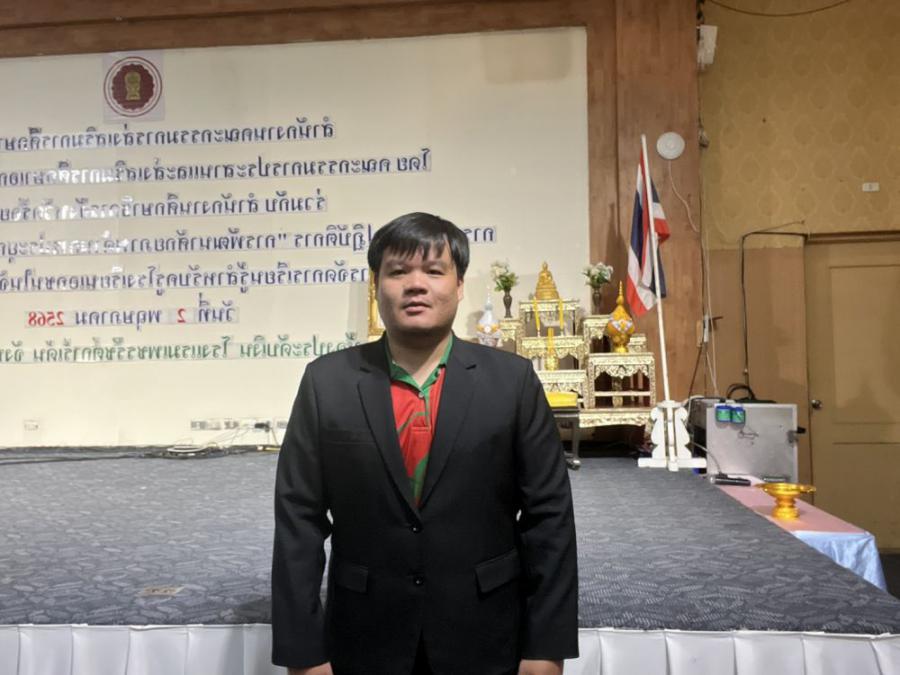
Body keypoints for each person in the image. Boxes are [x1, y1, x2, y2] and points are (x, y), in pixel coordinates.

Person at [271, 212, 578, 675]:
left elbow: (549, 519)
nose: (416, 284)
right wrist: (303, 654)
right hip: (364, 636)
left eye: (434, 271)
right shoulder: (327, 382)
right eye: (398, 271)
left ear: (459, 286)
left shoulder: (511, 382)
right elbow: (298, 521)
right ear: (377, 287)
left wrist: (546, 649)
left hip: (485, 633)